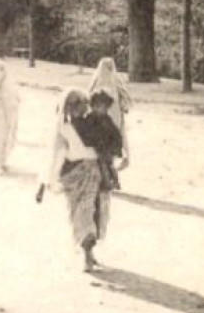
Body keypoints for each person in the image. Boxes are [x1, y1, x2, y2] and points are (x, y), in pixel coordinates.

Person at [35, 89, 112, 272]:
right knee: (77, 214)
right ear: (67, 108)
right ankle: (88, 254)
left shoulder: (92, 123)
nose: (79, 108)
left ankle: (87, 256)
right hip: (73, 176)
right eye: (74, 104)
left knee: (87, 212)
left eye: (81, 103)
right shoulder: (64, 128)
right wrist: (43, 184)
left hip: (92, 173)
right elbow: (54, 156)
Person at [87, 56, 133, 173]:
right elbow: (126, 98)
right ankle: (109, 167)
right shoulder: (115, 80)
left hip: (107, 119)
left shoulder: (97, 81)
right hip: (110, 119)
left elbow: (89, 98)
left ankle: (106, 167)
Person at [86, 89, 125, 192]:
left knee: (105, 163)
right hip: (98, 146)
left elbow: (115, 133)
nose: (100, 109)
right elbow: (87, 131)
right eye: (97, 106)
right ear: (92, 106)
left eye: (103, 107)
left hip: (106, 147)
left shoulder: (107, 120)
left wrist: (117, 147)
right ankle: (110, 181)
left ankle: (109, 183)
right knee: (104, 164)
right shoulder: (91, 118)